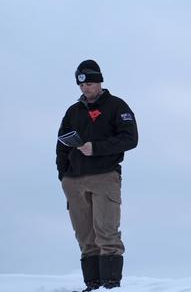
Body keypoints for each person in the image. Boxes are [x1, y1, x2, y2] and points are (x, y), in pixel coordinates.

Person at [56, 60, 138, 291]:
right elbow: (61, 145)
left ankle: (111, 285)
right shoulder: (73, 111)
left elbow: (130, 139)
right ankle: (92, 285)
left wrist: (96, 148)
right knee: (85, 236)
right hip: (74, 181)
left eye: (90, 83)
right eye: (81, 84)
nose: (85, 88)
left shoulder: (117, 106)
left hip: (105, 177)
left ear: (100, 82)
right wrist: (63, 175)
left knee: (106, 232)